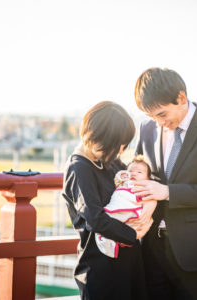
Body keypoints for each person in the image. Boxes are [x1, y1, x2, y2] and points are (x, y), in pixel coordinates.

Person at [132, 68, 197, 299]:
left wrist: (167, 192)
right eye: (152, 117)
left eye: (161, 114)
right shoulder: (147, 128)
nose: (158, 123)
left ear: (180, 98)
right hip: (151, 250)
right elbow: (139, 169)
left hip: (194, 252)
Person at [61, 101, 152, 300]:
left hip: (127, 261)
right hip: (100, 268)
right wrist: (134, 233)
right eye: (119, 144)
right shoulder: (79, 168)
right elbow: (95, 218)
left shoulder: (109, 161)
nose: (122, 150)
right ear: (101, 138)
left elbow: (133, 186)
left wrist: (149, 209)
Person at [95, 155, 153, 258]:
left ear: (148, 178)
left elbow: (151, 197)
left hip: (131, 210)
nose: (134, 173)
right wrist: (122, 176)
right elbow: (117, 180)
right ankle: (108, 241)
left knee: (131, 225)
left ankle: (115, 242)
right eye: (130, 171)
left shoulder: (145, 187)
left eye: (139, 172)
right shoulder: (124, 183)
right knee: (110, 222)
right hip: (117, 205)